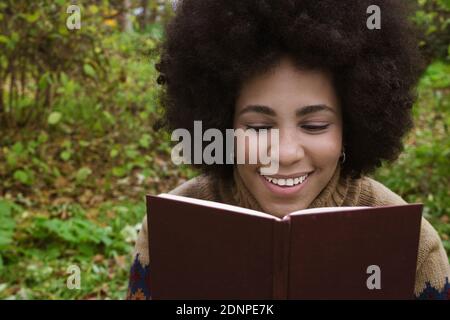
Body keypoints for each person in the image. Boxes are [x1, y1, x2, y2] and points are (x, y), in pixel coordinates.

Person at [126, 0, 450, 300]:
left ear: (351, 127)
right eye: (258, 128)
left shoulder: (414, 247)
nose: (285, 153)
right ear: (222, 126)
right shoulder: (168, 229)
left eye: (314, 126)